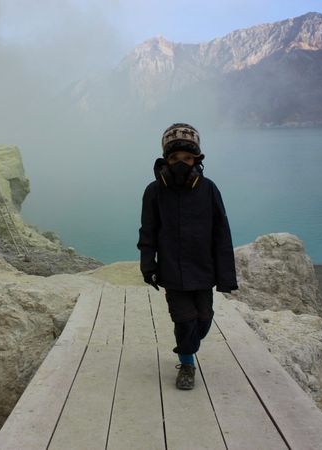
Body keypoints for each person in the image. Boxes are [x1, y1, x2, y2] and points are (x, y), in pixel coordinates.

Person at [137, 123, 238, 390]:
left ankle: (188, 346)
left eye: (187, 158)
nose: (181, 163)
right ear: (165, 160)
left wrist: (226, 276)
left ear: (197, 160)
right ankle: (187, 364)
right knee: (184, 321)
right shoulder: (154, 192)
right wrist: (148, 266)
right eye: (174, 158)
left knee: (203, 321)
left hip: (204, 271)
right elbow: (148, 233)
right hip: (172, 272)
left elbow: (221, 233)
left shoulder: (209, 189)